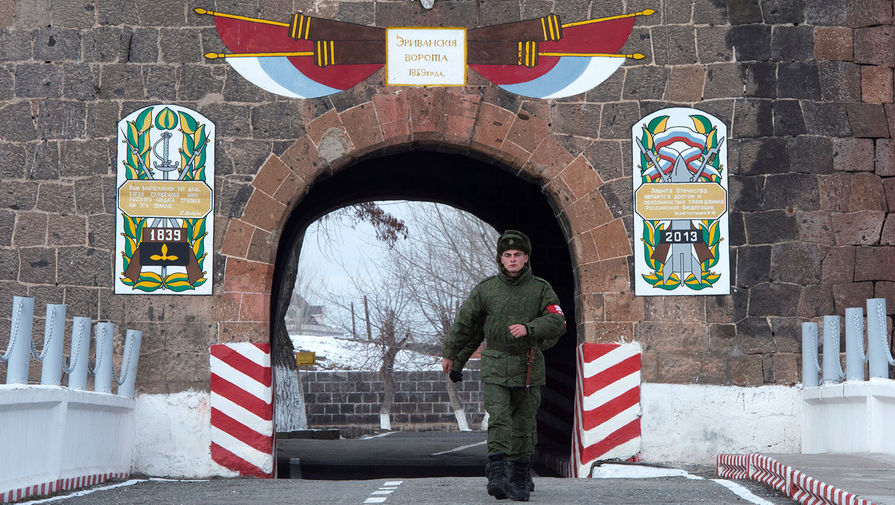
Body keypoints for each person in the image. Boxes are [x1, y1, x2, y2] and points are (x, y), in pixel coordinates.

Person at [442, 230, 566, 501]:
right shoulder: (486, 290)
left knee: (524, 424)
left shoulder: (541, 289)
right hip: (496, 364)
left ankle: (520, 476)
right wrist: (452, 354)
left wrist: (529, 329)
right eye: (507, 255)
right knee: (499, 419)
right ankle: (498, 473)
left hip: (529, 366)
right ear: (500, 258)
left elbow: (559, 321)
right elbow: (468, 326)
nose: (512, 259)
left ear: (526, 258)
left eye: (517, 255)